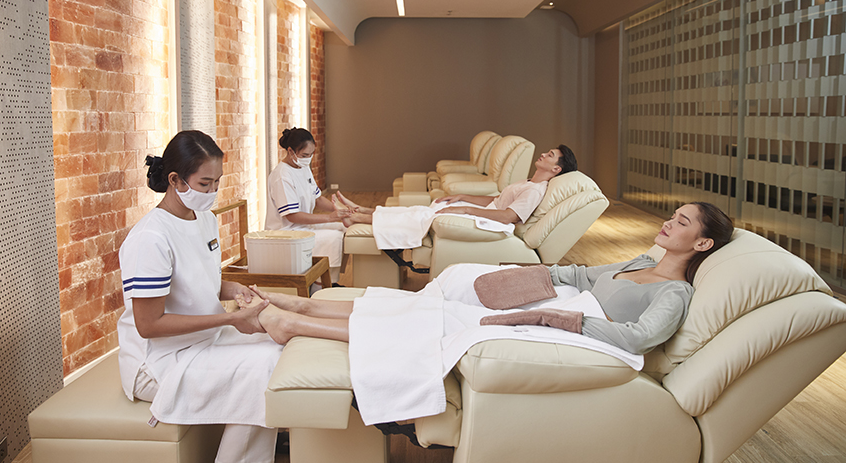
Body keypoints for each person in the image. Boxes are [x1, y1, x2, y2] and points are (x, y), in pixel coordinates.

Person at [234, 201, 734, 355]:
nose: (670, 221)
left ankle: (297, 322)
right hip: (559, 313)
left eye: (684, 222)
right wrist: (524, 272)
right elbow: (580, 272)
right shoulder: (638, 264)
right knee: (429, 309)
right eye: (674, 214)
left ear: (703, 244)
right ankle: (302, 308)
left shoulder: (674, 291)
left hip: (572, 336)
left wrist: (560, 319)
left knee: (436, 322)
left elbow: (640, 338)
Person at [117, 130, 281, 463]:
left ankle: (251, 444)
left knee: (277, 345)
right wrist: (230, 322)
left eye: (217, 182)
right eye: (205, 184)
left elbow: (200, 279)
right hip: (158, 361)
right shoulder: (150, 238)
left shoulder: (203, 217)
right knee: (262, 366)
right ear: (175, 180)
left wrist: (234, 289)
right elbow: (149, 325)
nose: (212, 193)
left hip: (204, 339)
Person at [333, 144, 579, 228]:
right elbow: (495, 201)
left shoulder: (535, 190)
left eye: (550, 155)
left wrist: (466, 210)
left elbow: (508, 216)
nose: (544, 154)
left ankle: (357, 217)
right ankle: (362, 211)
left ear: (556, 169)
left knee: (422, 216)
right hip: (485, 214)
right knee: (422, 209)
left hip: (489, 224)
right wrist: (462, 197)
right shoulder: (528, 182)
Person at [265, 127, 349, 284]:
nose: (308, 159)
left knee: (344, 229)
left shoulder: (302, 168)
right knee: (334, 237)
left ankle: (330, 281)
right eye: (304, 155)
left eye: (311, 155)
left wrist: (342, 209)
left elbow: (317, 199)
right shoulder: (282, 176)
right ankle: (320, 285)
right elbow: (292, 215)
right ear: (290, 151)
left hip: (302, 227)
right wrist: (329, 218)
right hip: (286, 232)